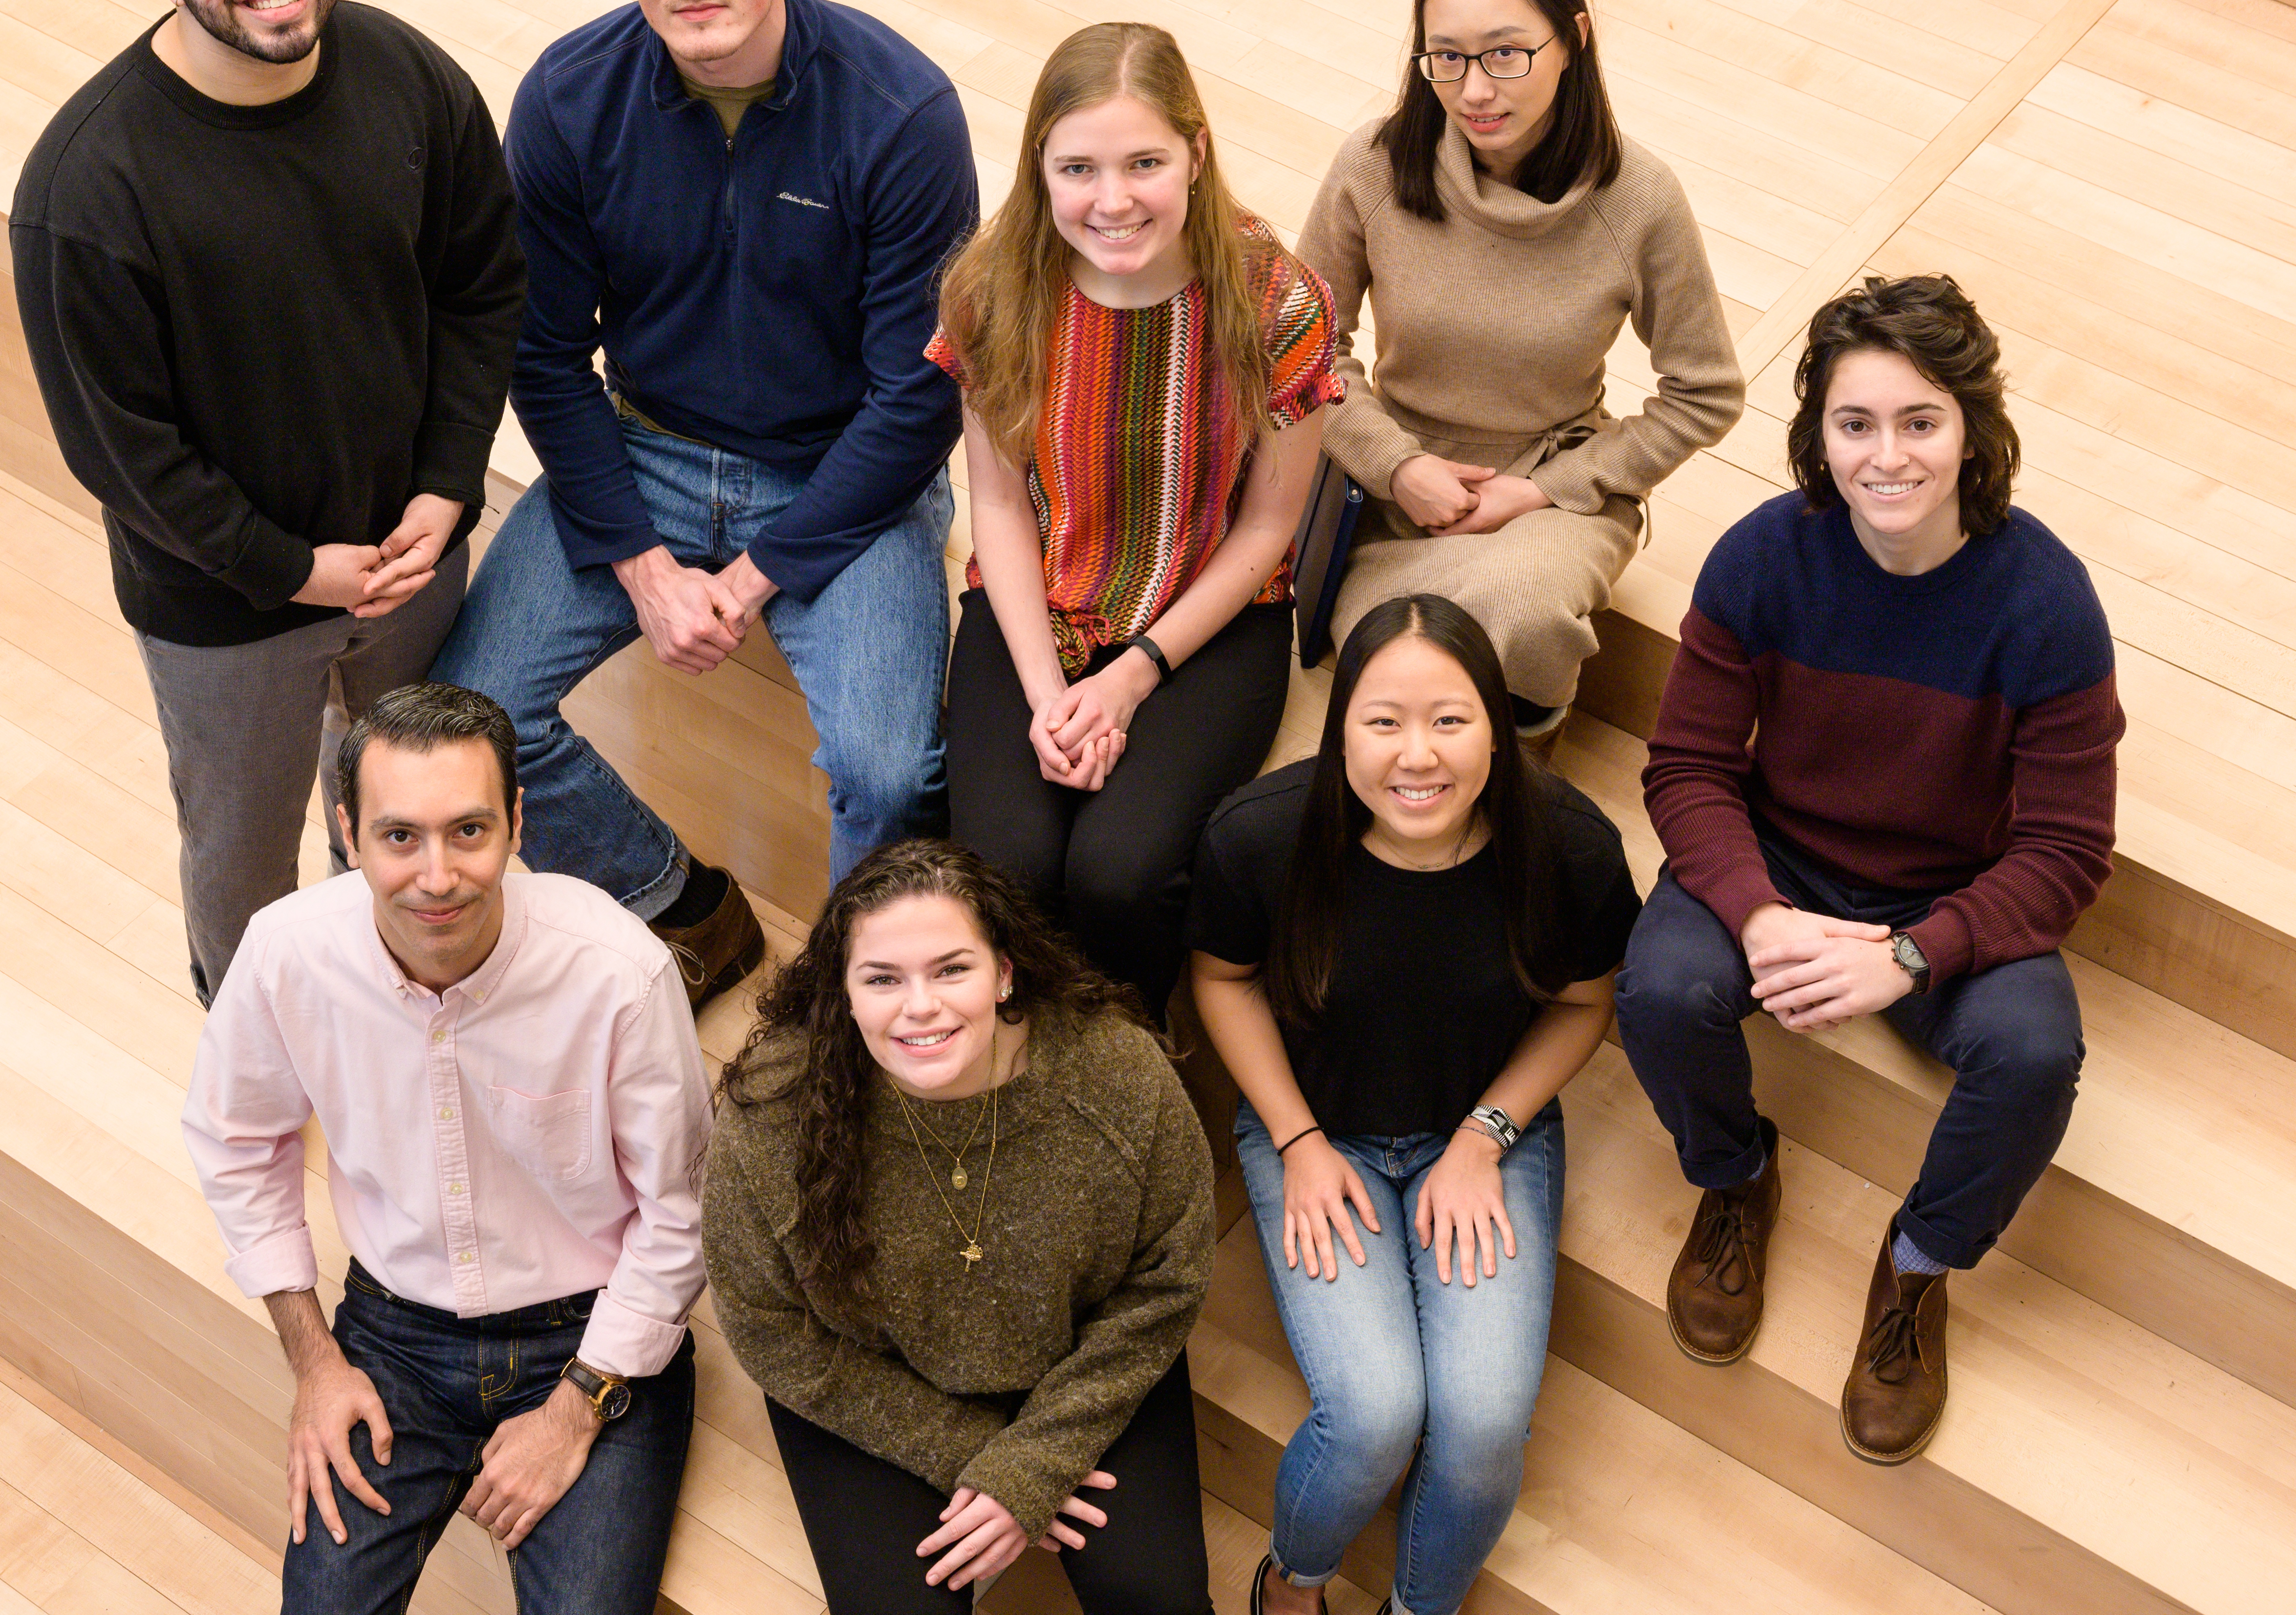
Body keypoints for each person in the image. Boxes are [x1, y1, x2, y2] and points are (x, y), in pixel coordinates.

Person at [434, 0, 976, 1002]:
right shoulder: (571, 100)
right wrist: (639, 559)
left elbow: (918, 396)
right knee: (460, 724)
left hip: (848, 472)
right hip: (650, 450)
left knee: (892, 773)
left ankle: (849, 1008)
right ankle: (683, 905)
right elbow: (542, 357)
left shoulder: (902, 115)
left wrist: (754, 573)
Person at [11, 0, 524, 1006]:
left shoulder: (408, 76)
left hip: (411, 557)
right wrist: (298, 569)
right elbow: (121, 450)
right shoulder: (88, 187)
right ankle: (259, 1038)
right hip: (225, 605)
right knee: (243, 852)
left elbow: (482, 289)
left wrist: (448, 487)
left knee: (421, 810)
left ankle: (417, 991)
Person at [1619, 274, 2122, 1466]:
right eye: (1856, 424)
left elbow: (2065, 848)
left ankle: (1919, 1264)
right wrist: (1756, 915)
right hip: (1782, 859)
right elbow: (1687, 767)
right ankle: (1737, 1178)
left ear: (1973, 430)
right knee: (1657, 988)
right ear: (1818, 433)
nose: (1886, 456)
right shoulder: (1761, 560)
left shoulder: (2047, 605)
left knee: (2038, 1052)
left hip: (1950, 892)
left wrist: (1913, 954)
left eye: (1920, 421)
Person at [183, 682, 711, 1615]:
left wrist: (575, 1407)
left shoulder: (620, 973)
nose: (437, 875)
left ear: (516, 820)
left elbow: (685, 1211)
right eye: (400, 837)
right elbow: (236, 1143)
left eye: (469, 832)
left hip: (589, 1338)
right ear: (349, 834)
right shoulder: (285, 953)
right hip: (395, 1335)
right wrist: (315, 1362)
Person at [1188, 595, 1633, 1615]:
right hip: (1315, 1120)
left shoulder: (1567, 842)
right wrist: (1297, 1138)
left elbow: (1584, 1000)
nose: (1418, 756)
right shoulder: (1259, 836)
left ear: (1497, 725)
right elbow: (1222, 978)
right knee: (1376, 1411)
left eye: (1451, 718)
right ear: (1340, 723)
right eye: (1384, 721)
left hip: (1486, 1124)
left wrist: (1488, 1134)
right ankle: (1291, 1582)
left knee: (1480, 1423)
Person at [931, 22, 1338, 1021]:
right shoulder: (993, 291)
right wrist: (1046, 697)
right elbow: (995, 504)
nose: (1113, 200)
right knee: (1005, 865)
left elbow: (1267, 528)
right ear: (1041, 167)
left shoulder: (1277, 300)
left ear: (1196, 154)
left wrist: (1128, 678)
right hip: (1041, 603)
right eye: (1080, 168)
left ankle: (1132, 1046)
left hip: (1208, 620)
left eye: (1145, 162)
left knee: (1120, 871)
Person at [705, 840, 1216, 1615]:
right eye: (882, 979)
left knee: (1157, 1599)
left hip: (1081, 1366)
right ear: (844, 992)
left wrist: (1042, 1455)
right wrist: (984, 1460)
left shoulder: (1116, 1072)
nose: (921, 1006)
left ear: (1005, 971)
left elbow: (1169, 1275)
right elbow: (766, 1325)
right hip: (876, 1386)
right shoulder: (777, 1109)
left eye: (952, 969)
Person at [1299, 0, 1742, 738]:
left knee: (1525, 615)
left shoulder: (1639, 198)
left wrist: (1539, 491)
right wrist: (1397, 465)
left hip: (1552, 490)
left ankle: (1522, 786)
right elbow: (1298, 345)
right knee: (1406, 664)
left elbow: (1705, 393)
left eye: (1506, 53)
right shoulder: (1374, 165)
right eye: (1448, 57)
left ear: (1573, 37)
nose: (1474, 90)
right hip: (1396, 488)